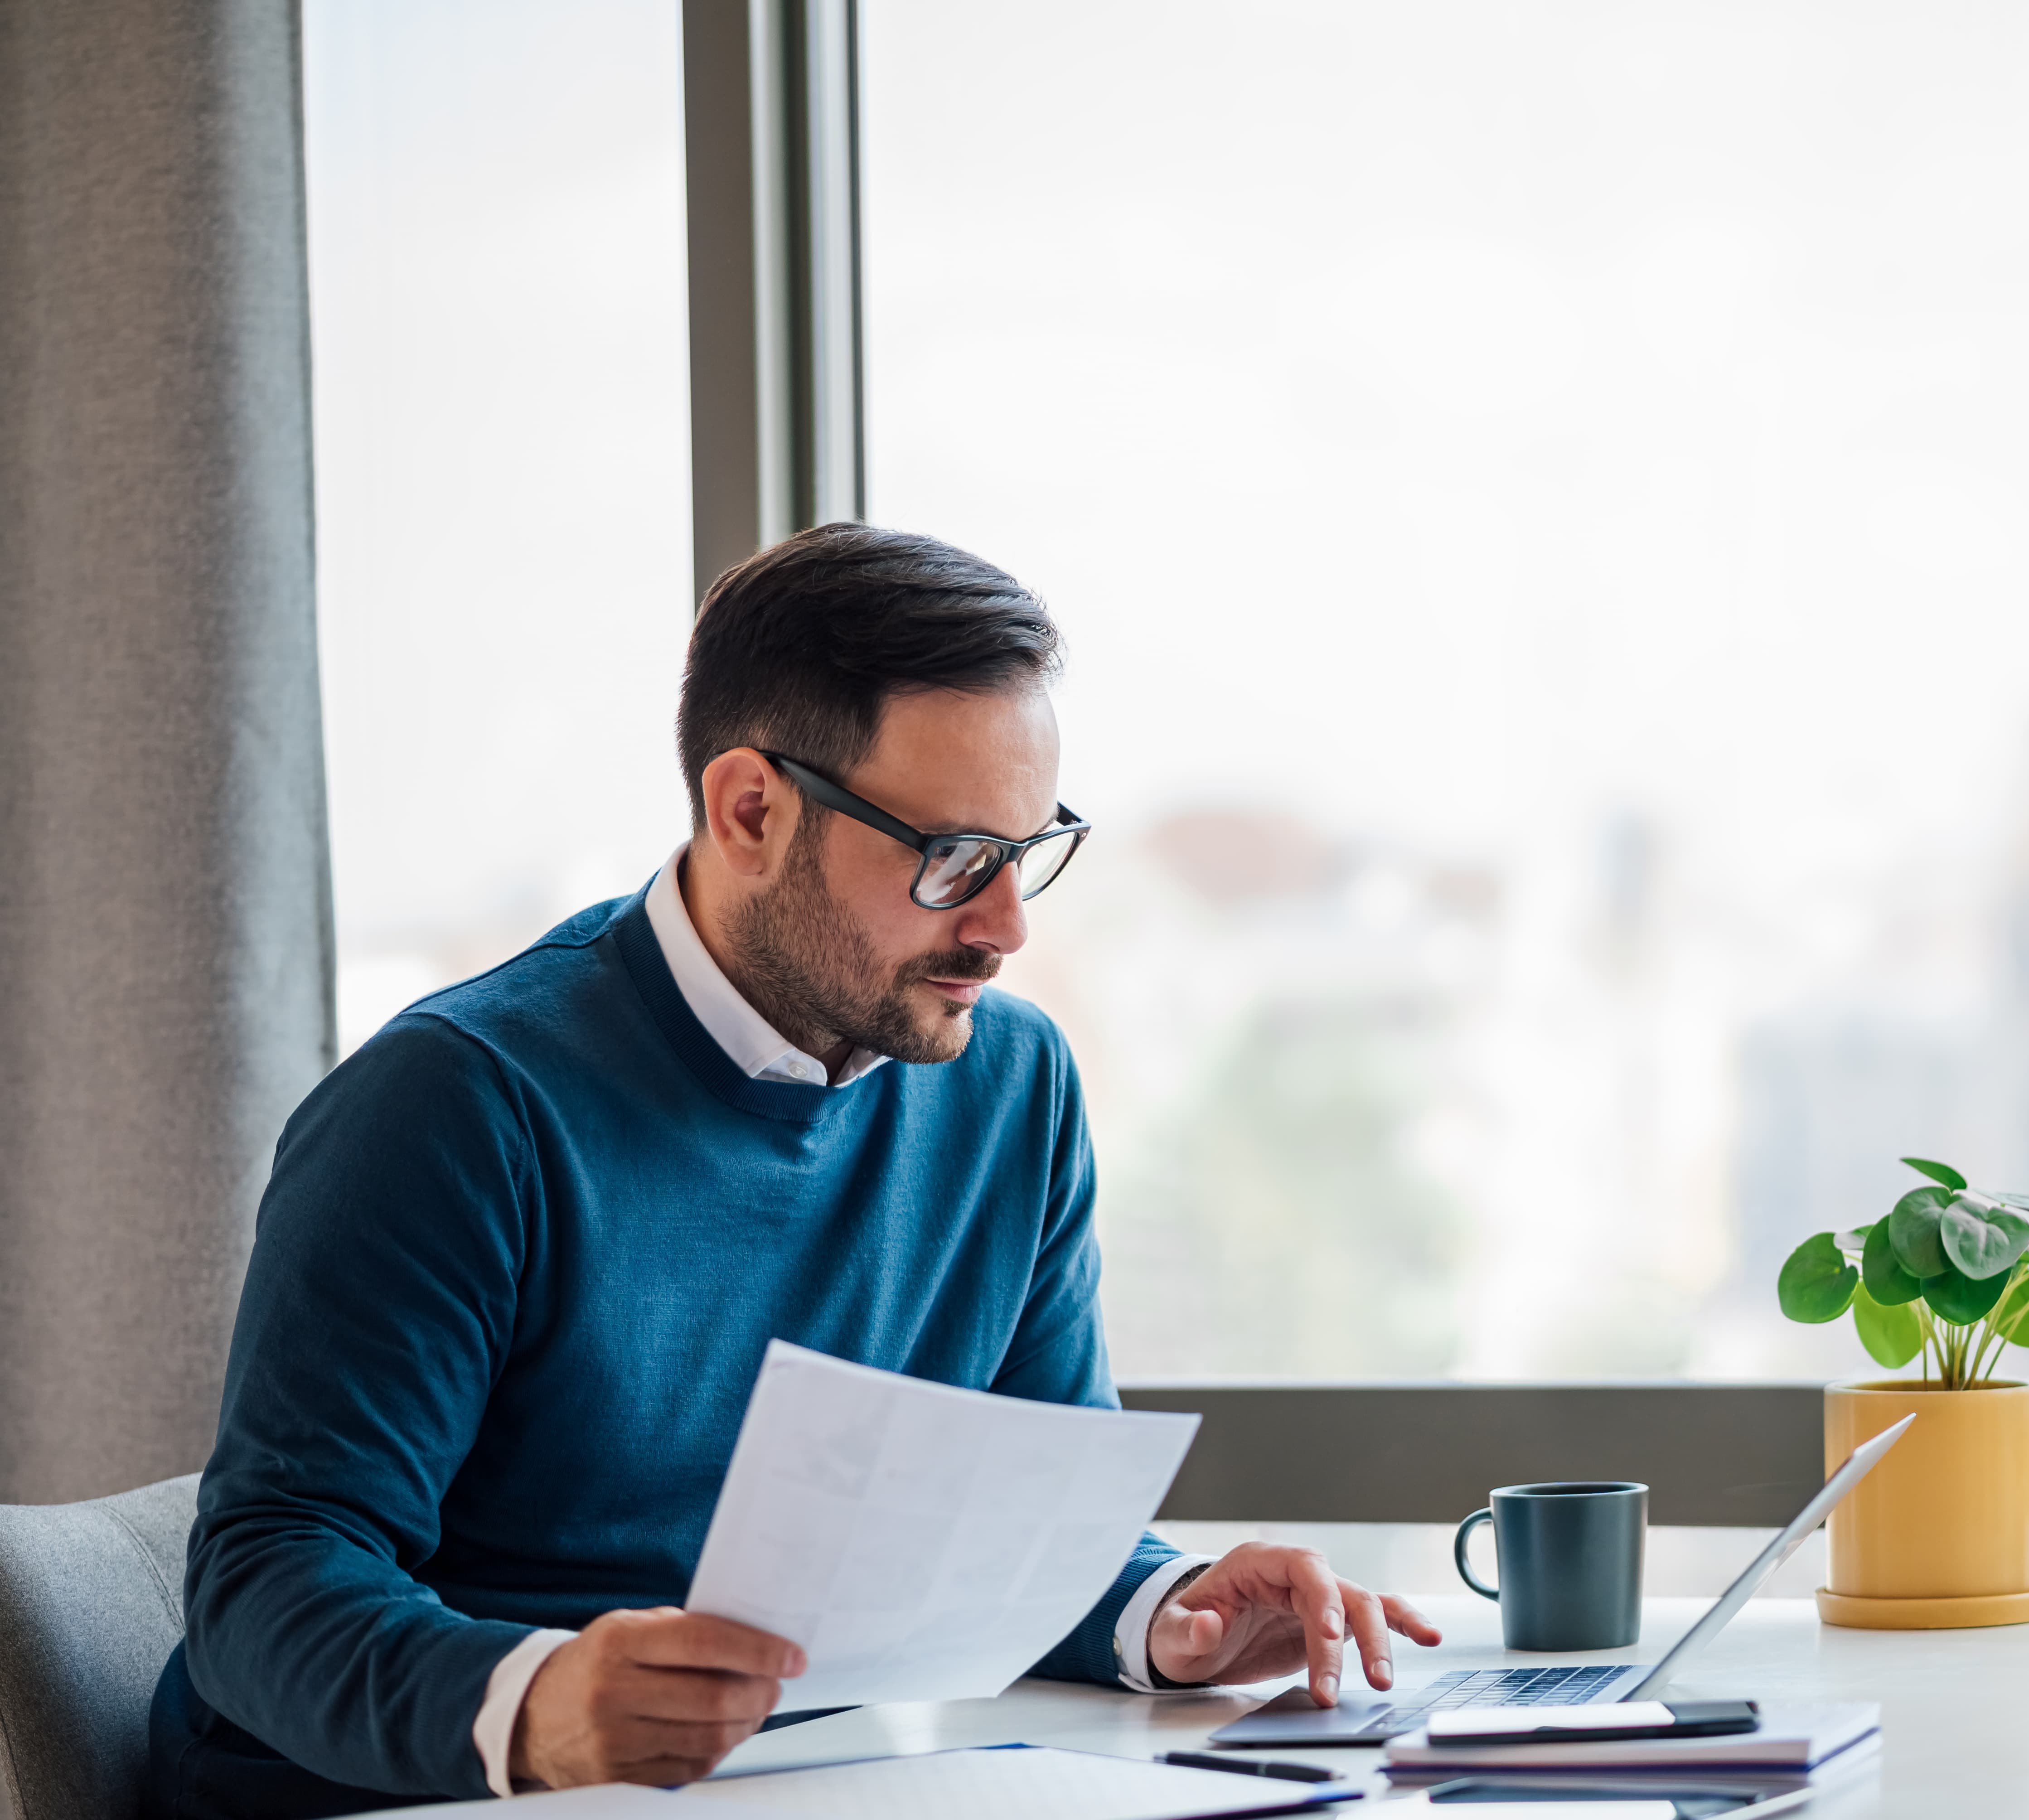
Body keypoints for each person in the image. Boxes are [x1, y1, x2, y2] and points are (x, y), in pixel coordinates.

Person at [145, 524, 1440, 1820]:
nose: (1005, 929)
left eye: (1028, 851)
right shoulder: (457, 1105)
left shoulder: (1010, 1087)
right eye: (954, 860)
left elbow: (1018, 1529)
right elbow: (267, 1585)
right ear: (751, 810)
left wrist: (1170, 1613)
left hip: (783, 1791)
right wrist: (540, 1703)